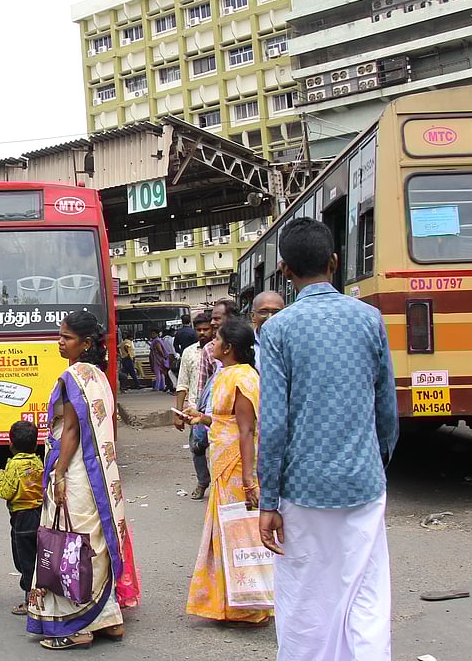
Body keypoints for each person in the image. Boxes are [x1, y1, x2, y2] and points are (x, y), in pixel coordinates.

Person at [257, 218, 398, 661]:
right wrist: (375, 462)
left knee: (305, 598)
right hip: (362, 483)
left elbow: (274, 423)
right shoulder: (370, 320)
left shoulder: (279, 330)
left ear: (284, 270)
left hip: (303, 486)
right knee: (366, 593)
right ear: (335, 262)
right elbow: (386, 409)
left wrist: (268, 499)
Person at [26, 311, 137, 650]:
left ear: (85, 343)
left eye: (67, 337)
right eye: (60, 335)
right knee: (94, 539)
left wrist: (58, 475)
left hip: (74, 470)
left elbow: (71, 430)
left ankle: (77, 626)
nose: (60, 341)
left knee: (70, 544)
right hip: (100, 476)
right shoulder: (99, 376)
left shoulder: (73, 376)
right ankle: (108, 618)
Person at [185, 318, 271, 626]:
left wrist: (249, 480)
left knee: (241, 535)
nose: (212, 343)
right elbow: (226, 420)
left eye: (217, 339)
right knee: (224, 534)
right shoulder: (225, 375)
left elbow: (247, 430)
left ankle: (251, 606)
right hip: (222, 464)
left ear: (229, 347)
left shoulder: (244, 378)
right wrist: (202, 419)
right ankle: (227, 603)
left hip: (237, 467)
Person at [0, 420, 43, 618]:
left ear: (11, 445)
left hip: (21, 518)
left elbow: (6, 492)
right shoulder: (39, 462)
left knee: (25, 561)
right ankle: (42, 595)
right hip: (40, 515)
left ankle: (29, 601)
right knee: (39, 557)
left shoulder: (13, 466)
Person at [174, 312, 215, 500]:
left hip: (217, 409)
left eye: (206, 329)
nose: (202, 333)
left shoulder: (222, 350)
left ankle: (219, 485)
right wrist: (178, 411)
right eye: (198, 329)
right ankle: (202, 481)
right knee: (197, 447)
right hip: (195, 408)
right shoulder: (189, 352)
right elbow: (182, 383)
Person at [250, 291, 285, 368]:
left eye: (276, 312)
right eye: (263, 312)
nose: (270, 317)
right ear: (253, 316)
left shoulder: (291, 343)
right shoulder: (244, 344)